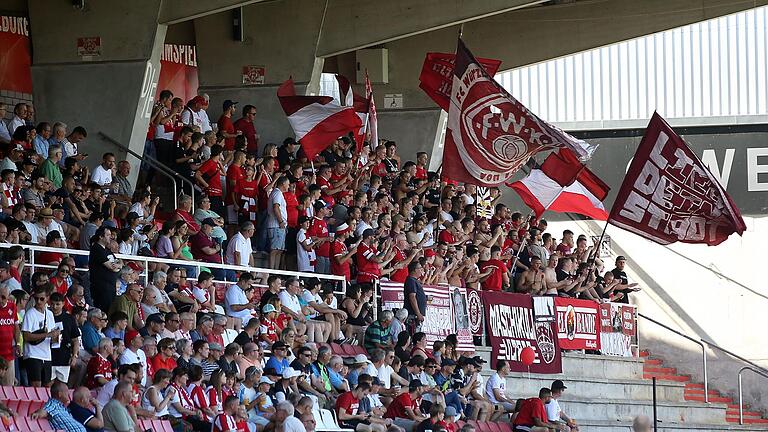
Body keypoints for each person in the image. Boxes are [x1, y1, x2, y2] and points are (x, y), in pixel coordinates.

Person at [22, 287, 60, 387]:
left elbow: (52, 336)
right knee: (36, 385)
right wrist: (47, 335)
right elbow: (26, 336)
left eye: (41, 299)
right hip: (33, 354)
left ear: (47, 298)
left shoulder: (50, 314)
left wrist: (56, 337)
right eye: (36, 298)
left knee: (47, 385)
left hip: (46, 355)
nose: (38, 301)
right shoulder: (30, 314)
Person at [0, 283, 20, 385]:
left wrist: (18, 344)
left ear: (8, 297)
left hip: (8, 354)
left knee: (8, 387)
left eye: (3, 297)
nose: (0, 300)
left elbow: (16, 327)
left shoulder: (12, 307)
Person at [404, 262, 426, 332]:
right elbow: (412, 297)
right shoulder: (411, 280)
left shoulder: (415, 281)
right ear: (415, 270)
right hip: (413, 315)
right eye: (420, 268)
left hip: (416, 316)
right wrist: (418, 313)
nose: (421, 271)